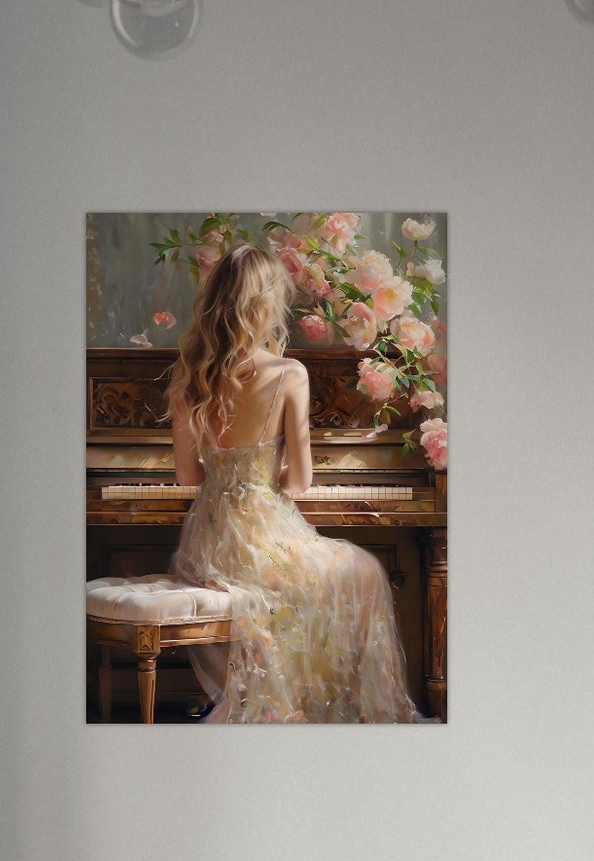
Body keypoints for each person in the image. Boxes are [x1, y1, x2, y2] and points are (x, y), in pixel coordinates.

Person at [166, 243, 427, 724]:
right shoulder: (289, 374)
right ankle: (320, 706)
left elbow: (188, 476)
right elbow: (300, 481)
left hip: (209, 543)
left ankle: (283, 703)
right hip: (263, 532)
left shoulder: (189, 377)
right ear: (267, 304)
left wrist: (228, 473)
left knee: (296, 585)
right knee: (364, 569)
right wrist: (265, 472)